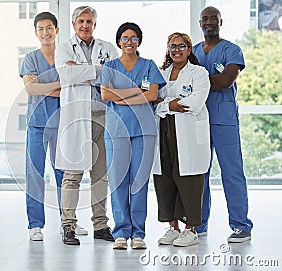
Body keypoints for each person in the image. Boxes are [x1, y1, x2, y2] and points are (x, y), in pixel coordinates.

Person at [54, 6, 118, 245]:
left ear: (95, 23)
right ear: (73, 24)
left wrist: (80, 70)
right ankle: (68, 225)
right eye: (80, 21)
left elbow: (113, 74)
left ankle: (100, 225)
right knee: (72, 175)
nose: (84, 25)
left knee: (101, 176)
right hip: (75, 118)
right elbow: (66, 76)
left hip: (102, 116)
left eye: (89, 21)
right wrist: (97, 71)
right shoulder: (63, 49)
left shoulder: (107, 48)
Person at [98, 22, 166, 250]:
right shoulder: (109, 66)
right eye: (125, 38)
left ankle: (138, 233)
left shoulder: (148, 65)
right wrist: (137, 91)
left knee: (139, 182)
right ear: (118, 41)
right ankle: (120, 232)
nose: (129, 42)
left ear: (139, 41)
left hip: (143, 132)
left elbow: (153, 94)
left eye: (133, 38)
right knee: (118, 181)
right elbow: (106, 94)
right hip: (117, 131)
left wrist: (121, 95)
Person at [193, 6, 253, 242]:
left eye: (213, 19)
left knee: (232, 173)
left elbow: (226, 80)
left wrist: (196, 82)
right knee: (199, 174)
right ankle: (198, 225)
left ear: (220, 22)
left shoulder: (232, 49)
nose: (209, 22)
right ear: (200, 23)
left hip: (224, 120)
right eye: (205, 18)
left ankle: (241, 226)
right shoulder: (194, 52)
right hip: (198, 120)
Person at [152, 32, 211, 247]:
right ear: (168, 49)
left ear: (188, 49)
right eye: (172, 46)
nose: (176, 50)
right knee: (164, 178)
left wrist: (165, 103)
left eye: (181, 46)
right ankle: (172, 228)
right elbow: (151, 101)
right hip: (164, 131)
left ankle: (191, 229)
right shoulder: (160, 73)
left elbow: (194, 102)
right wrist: (170, 104)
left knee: (189, 180)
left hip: (187, 133)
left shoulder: (199, 73)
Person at [19, 12, 64, 241]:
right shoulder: (30, 58)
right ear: (36, 32)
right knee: (35, 174)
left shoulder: (66, 57)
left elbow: (71, 88)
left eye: (49, 28)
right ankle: (35, 224)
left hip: (62, 123)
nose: (45, 33)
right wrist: (58, 85)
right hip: (37, 124)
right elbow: (30, 90)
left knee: (63, 174)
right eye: (40, 29)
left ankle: (68, 222)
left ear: (56, 30)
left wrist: (42, 84)